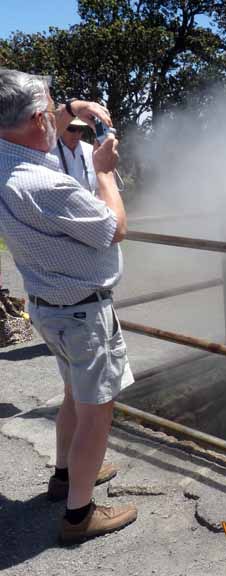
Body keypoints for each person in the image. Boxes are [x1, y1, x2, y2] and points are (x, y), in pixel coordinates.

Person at [0, 68, 136, 543]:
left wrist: (75, 108)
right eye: (54, 108)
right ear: (39, 119)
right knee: (97, 410)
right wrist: (103, 171)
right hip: (84, 311)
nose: (61, 117)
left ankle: (65, 478)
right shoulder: (44, 183)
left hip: (49, 306)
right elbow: (112, 227)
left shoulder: (7, 160)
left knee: (74, 397)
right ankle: (79, 515)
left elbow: (42, 123)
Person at [54, 117, 97, 193]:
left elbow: (99, 187)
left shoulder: (91, 151)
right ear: (62, 127)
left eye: (81, 129)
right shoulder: (49, 153)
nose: (77, 134)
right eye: (72, 129)